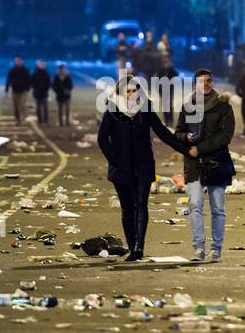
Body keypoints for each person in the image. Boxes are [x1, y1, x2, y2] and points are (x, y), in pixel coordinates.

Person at [98, 76, 191, 262]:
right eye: (128, 91)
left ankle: (139, 248)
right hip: (121, 167)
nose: (132, 94)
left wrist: (186, 150)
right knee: (127, 210)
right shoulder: (112, 109)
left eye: (135, 91)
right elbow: (102, 139)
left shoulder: (146, 108)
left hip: (143, 164)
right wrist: (114, 160)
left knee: (141, 206)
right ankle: (131, 245)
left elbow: (163, 133)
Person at [175, 69, 236, 262]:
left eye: (209, 81)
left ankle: (216, 250)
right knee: (195, 206)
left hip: (216, 162)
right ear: (195, 85)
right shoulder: (187, 106)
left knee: (217, 208)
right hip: (193, 165)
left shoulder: (223, 107)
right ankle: (198, 249)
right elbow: (178, 132)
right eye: (201, 82)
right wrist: (186, 137)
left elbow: (225, 136)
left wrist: (199, 148)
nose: (206, 84)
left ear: (212, 83)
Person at [6, 57, 31, 122]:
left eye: (19, 60)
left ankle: (23, 116)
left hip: (23, 90)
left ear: (22, 61)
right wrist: (7, 89)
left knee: (22, 104)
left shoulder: (25, 70)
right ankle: (17, 118)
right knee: (16, 105)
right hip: (15, 90)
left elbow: (29, 80)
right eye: (17, 60)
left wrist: (28, 88)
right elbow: (9, 80)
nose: (18, 62)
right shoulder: (12, 70)